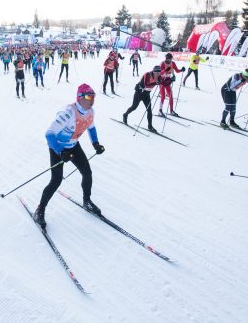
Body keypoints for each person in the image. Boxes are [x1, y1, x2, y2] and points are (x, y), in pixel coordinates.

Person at [32, 83, 105, 229]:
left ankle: (87, 201)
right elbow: (49, 134)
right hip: (57, 147)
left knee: (87, 173)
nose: (92, 100)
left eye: (93, 97)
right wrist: (60, 151)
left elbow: (91, 127)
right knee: (56, 180)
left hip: (73, 145)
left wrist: (96, 144)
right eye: (89, 97)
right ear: (80, 98)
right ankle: (40, 209)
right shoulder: (67, 113)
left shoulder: (91, 112)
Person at [122, 65, 162, 133]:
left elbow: (163, 83)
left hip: (146, 95)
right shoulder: (147, 74)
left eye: (159, 72)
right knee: (134, 107)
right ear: (153, 71)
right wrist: (156, 82)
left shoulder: (159, 77)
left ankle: (150, 126)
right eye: (156, 72)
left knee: (149, 110)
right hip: (139, 93)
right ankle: (125, 114)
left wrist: (170, 80)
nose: (158, 74)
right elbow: (145, 84)